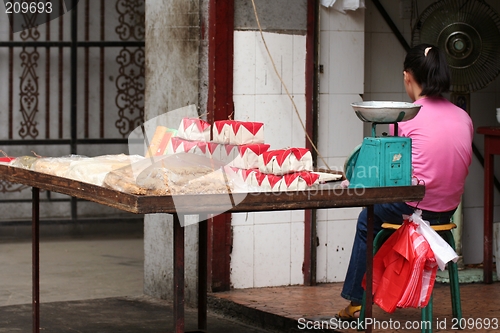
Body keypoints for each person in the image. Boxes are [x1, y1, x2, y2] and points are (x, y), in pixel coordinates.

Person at [336, 43, 473, 320]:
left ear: (407, 76)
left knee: (368, 220)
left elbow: (389, 174)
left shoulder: (406, 117)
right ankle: (388, 290)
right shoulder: (464, 117)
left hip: (414, 209)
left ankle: (357, 302)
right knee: (385, 218)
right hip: (447, 211)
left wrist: (356, 180)